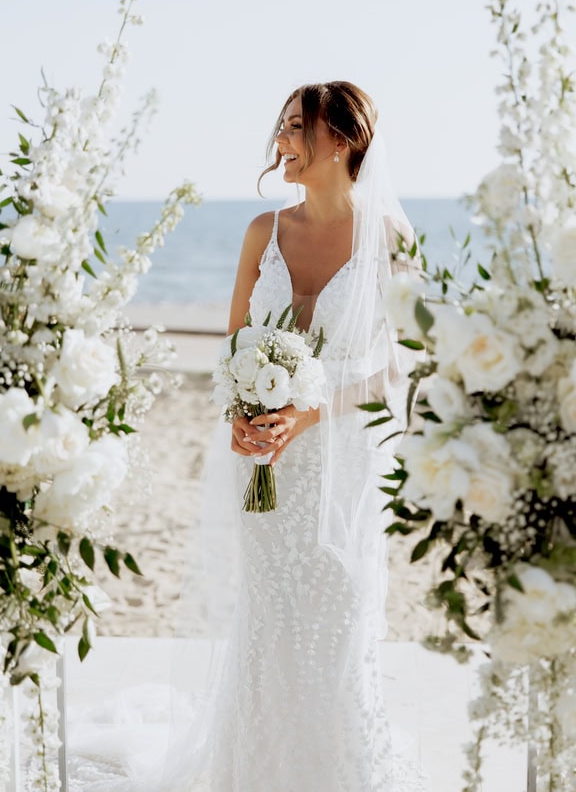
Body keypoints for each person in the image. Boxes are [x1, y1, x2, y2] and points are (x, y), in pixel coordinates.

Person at [184, 81, 428, 791]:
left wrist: (310, 414)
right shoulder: (263, 232)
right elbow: (234, 342)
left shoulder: (389, 239)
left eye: (296, 128)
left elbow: (398, 367)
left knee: (340, 609)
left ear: (343, 141)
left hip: (346, 452)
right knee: (270, 612)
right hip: (266, 458)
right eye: (284, 128)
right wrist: (239, 411)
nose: (281, 143)